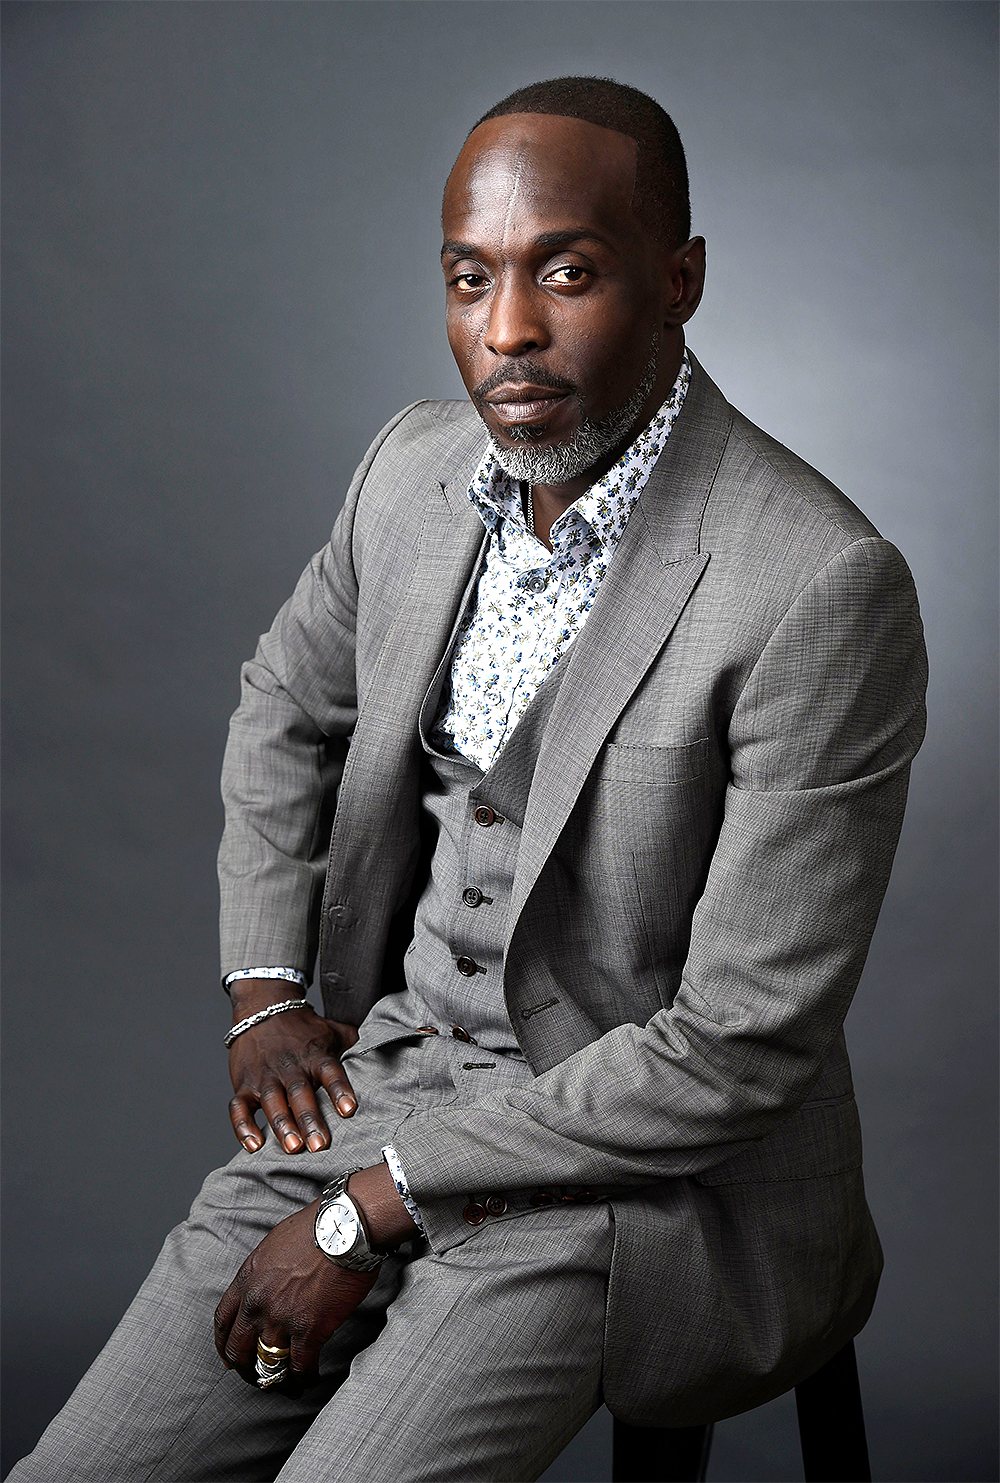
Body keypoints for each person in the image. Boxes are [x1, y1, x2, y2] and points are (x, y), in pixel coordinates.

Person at [9, 75, 927, 1483]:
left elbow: (737, 1048)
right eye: (470, 277)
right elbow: (283, 705)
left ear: (678, 281)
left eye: (570, 271)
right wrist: (265, 988)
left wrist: (367, 1209)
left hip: (623, 1181)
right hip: (377, 1090)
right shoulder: (411, 472)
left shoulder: (816, 584)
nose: (507, 331)